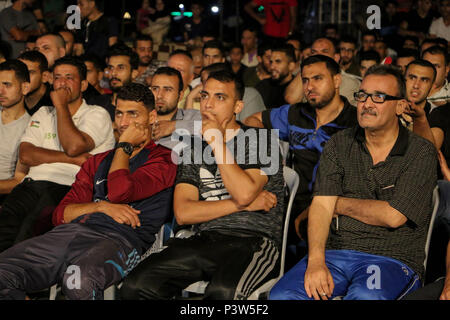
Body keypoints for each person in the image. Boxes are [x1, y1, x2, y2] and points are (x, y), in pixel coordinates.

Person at [269, 64, 438, 300]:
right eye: (362, 95)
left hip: (389, 259)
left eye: (379, 97)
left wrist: (336, 203)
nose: (367, 104)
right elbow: (320, 207)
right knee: (282, 296)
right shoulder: (339, 144)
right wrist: (316, 262)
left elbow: (393, 215)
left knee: (365, 295)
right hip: (334, 254)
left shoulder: (420, 152)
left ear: (400, 105)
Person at [0, 83, 177, 300]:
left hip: (120, 240)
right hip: (71, 234)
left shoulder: (165, 158)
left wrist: (124, 146)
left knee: (79, 282)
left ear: (151, 117)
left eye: (133, 114)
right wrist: (101, 207)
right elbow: (61, 215)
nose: (123, 123)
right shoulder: (97, 161)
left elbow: (121, 192)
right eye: (119, 114)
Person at [120, 70, 285, 300]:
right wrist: (243, 206)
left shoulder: (262, 140)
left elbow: (245, 192)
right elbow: (184, 212)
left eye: (220, 98)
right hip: (204, 238)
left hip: (254, 241)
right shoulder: (192, 148)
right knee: (135, 285)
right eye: (205, 96)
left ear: (238, 107)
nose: (207, 105)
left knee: (224, 293)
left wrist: (217, 142)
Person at [244, 55, 357, 263]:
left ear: (337, 81)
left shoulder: (355, 122)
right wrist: (269, 153)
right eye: (305, 80)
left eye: (318, 79)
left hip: (332, 207)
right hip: (289, 203)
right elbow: (252, 120)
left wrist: (312, 211)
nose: (309, 86)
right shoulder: (295, 114)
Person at [0, 56, 116, 253]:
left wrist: (61, 106)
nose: (62, 83)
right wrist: (73, 160)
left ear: (84, 84)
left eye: (69, 77)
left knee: (25, 240)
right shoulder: (44, 112)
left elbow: (73, 146)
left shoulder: (97, 114)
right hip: (30, 184)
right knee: (3, 230)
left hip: (67, 188)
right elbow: (26, 155)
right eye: (57, 77)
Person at [285, 37, 361, 106]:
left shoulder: (350, 83)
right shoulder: (303, 78)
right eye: (313, 52)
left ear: (336, 58)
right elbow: (291, 99)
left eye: (324, 52)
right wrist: (307, 66)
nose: (317, 56)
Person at [0, 60, 31, 203]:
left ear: (24, 88)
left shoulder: (31, 127)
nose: (0, 90)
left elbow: (19, 181)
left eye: (7, 85)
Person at [149, 66, 202, 150]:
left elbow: (214, 129)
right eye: (155, 89)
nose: (159, 95)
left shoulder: (193, 116)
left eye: (167, 90)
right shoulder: (140, 119)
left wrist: (175, 126)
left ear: (180, 96)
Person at [255, 43, 295, 109]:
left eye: (278, 61)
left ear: (291, 66)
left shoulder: (300, 88)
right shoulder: (263, 87)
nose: (272, 67)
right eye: (271, 62)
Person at [17, 50, 51, 116]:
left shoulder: (55, 102)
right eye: (19, 72)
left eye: (30, 72)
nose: (23, 77)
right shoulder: (10, 98)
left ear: (44, 76)